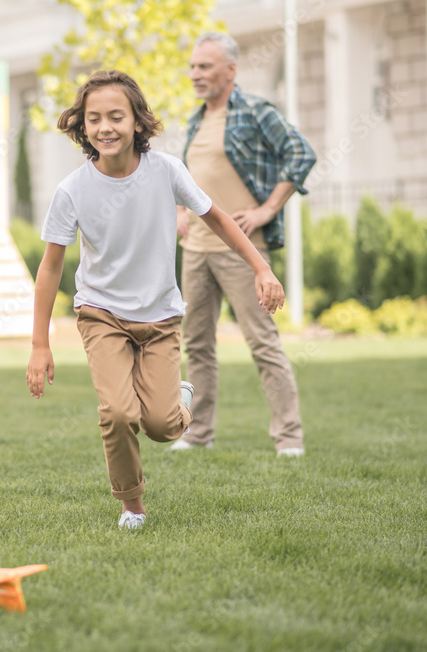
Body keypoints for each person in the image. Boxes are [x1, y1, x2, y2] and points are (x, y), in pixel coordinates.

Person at [25, 70, 285, 529]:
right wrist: (39, 344)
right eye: (94, 118)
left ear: (138, 122)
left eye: (116, 117)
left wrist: (261, 267)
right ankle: (132, 505)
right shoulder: (73, 191)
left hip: (161, 317)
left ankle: (179, 399)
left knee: (163, 426)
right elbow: (50, 268)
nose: (105, 127)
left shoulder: (166, 171)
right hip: (101, 313)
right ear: (82, 127)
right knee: (120, 413)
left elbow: (218, 219)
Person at [169, 32, 317, 458]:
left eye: (205, 67)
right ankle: (198, 432)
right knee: (196, 344)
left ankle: (288, 438)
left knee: (262, 343)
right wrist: (181, 211)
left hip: (242, 251)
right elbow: (188, 179)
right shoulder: (196, 119)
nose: (195, 74)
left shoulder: (255, 112)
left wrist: (268, 209)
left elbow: (300, 154)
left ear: (230, 70)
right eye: (193, 66)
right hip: (196, 250)